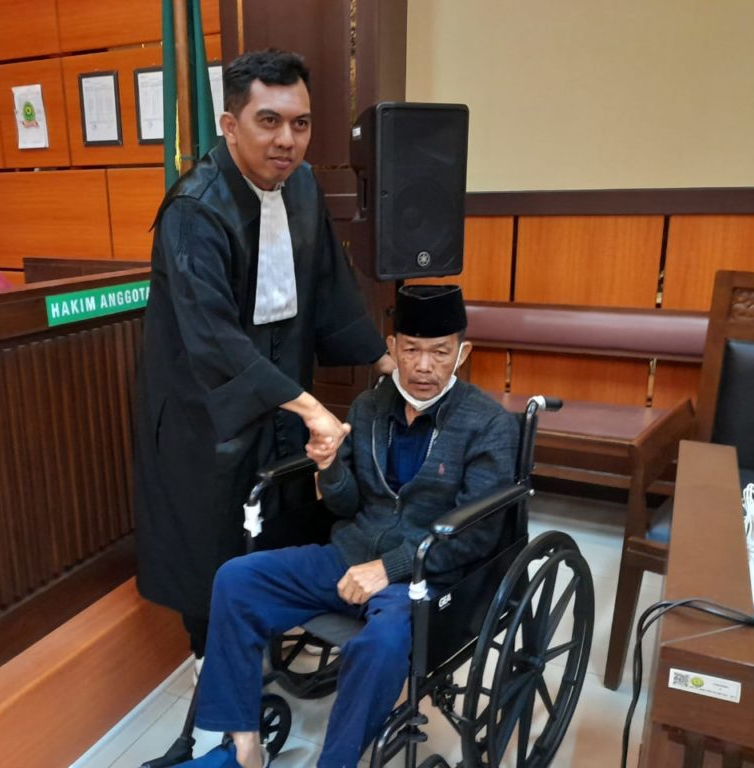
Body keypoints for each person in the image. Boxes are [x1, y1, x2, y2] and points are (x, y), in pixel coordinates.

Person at [180, 285, 521, 768]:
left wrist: (389, 568)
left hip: (422, 577)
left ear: (462, 354)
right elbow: (346, 506)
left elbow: (477, 534)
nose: (424, 366)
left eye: (440, 352)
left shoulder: (489, 425)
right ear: (392, 348)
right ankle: (244, 745)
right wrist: (329, 467)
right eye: (412, 350)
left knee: (380, 644)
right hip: (349, 554)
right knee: (236, 578)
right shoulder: (369, 407)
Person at [133, 49, 393, 668]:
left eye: (300, 123)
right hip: (208, 411)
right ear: (230, 125)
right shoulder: (194, 209)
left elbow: (331, 288)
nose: (287, 140)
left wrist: (385, 361)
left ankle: (271, 631)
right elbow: (213, 338)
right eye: (268, 121)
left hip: (281, 396)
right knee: (214, 535)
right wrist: (309, 406)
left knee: (283, 514)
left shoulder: (300, 186)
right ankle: (211, 660)